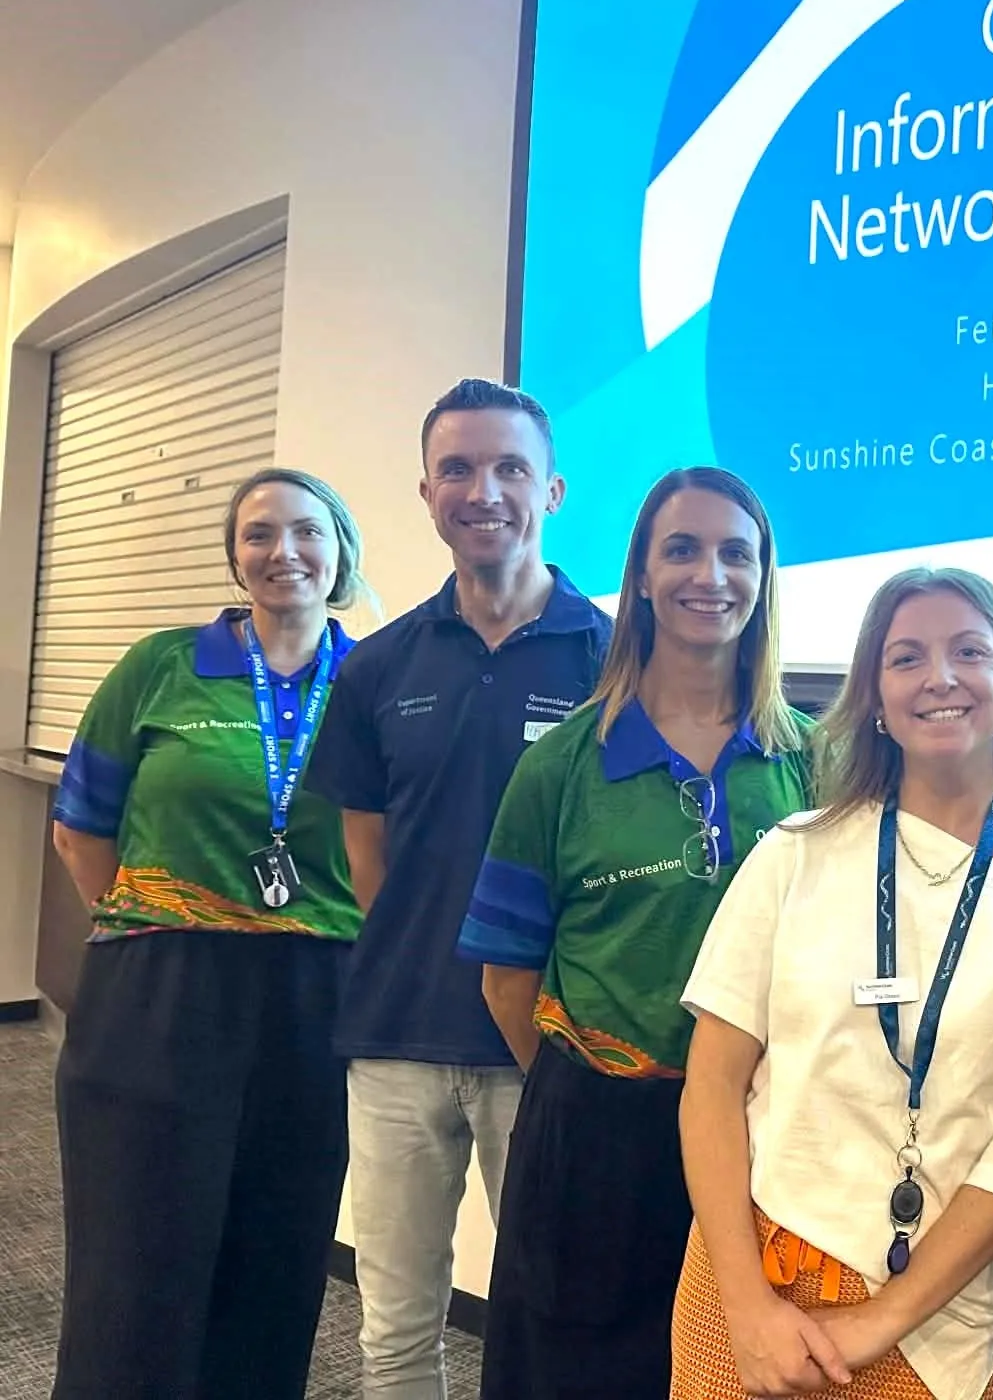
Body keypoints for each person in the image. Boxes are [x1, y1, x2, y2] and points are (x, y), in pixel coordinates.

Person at [672, 566, 993, 1400]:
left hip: (932, 1326)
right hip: (744, 1282)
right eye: (906, 658)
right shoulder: (795, 853)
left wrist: (877, 1321)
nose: (940, 677)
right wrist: (747, 1306)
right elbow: (712, 1086)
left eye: (970, 651)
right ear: (876, 700)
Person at [456, 468, 814, 1398]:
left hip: (767, 1139)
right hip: (597, 1137)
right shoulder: (565, 764)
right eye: (683, 549)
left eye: (739, 553)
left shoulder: (815, 760)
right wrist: (601, 1099)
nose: (712, 573)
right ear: (644, 578)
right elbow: (507, 982)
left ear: (765, 578)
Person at [307, 379, 612, 1399]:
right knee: (393, 1327)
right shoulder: (379, 667)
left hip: (548, 1048)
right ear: (427, 493)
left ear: (553, 490)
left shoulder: (616, 659)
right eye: (458, 469)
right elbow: (367, 857)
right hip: (395, 1040)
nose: (484, 490)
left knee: (552, 1315)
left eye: (509, 467)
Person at [48, 467, 370, 1400]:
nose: (284, 553)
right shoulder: (160, 664)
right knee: (136, 1249)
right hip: (159, 988)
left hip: (315, 997)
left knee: (278, 1243)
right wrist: (164, 924)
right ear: (235, 555)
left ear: (340, 548)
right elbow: (81, 829)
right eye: (259, 534)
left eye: (307, 532)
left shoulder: (375, 681)